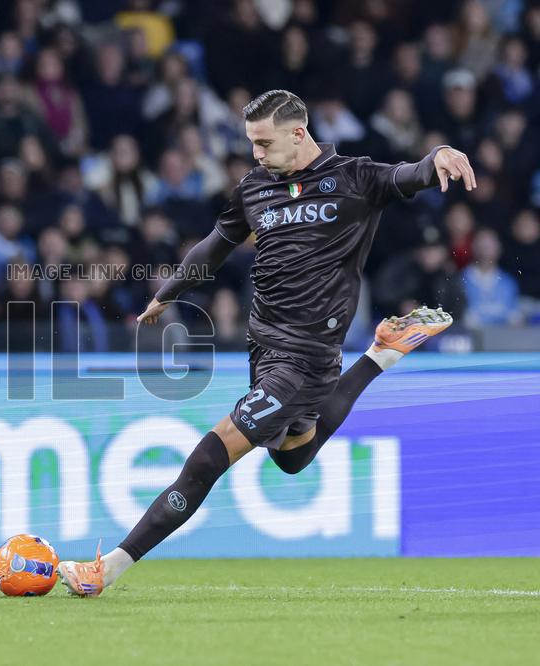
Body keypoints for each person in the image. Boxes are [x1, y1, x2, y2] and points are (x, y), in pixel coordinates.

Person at [58, 89, 477, 597]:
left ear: (298, 133)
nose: (256, 154)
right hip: (264, 349)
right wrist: (168, 292)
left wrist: (439, 158)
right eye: (252, 143)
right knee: (293, 458)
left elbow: (409, 173)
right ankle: (381, 353)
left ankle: (109, 568)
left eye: (264, 142)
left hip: (306, 360)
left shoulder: (355, 178)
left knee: (208, 459)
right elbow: (216, 246)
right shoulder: (255, 187)